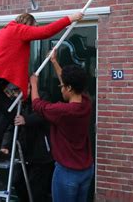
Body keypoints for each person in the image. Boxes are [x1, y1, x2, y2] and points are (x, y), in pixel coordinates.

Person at [0, 12, 83, 191]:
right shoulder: (18, 30)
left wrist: (22, 91)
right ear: (28, 23)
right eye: (33, 27)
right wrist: (70, 19)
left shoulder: (8, 34)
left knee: (8, 112)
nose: (34, 31)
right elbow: (46, 32)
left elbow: (16, 66)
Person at [29, 49, 93, 202]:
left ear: (69, 88)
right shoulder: (86, 102)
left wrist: (34, 84)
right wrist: (54, 62)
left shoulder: (63, 111)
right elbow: (69, 82)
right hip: (86, 170)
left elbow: (37, 105)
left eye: (62, 85)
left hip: (67, 173)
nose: (61, 87)